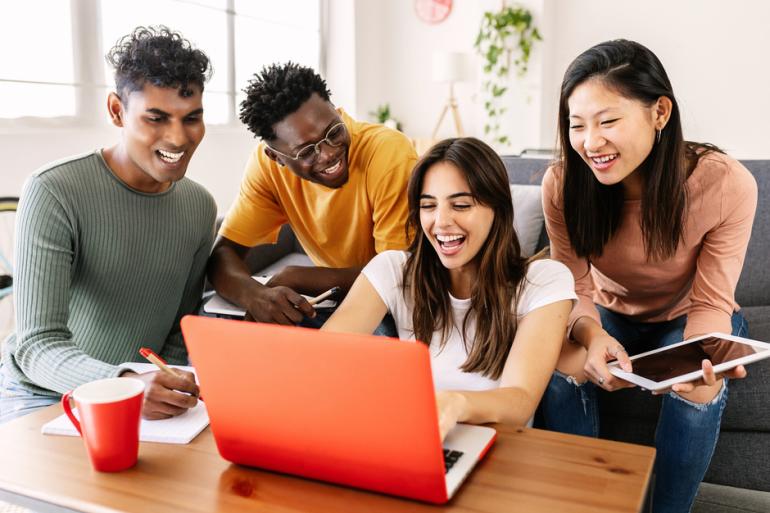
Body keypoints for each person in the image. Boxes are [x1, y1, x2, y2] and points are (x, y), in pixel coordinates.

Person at [538, 39, 757, 513]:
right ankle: (580, 504)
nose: (590, 142)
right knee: (559, 364)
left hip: (689, 314)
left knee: (698, 387)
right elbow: (574, 286)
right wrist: (591, 336)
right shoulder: (562, 184)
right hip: (607, 312)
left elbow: (711, 302)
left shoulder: (724, 183)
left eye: (608, 121)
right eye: (577, 126)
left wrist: (704, 356)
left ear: (659, 112)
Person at [0, 26, 217, 423]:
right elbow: (36, 346)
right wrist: (125, 383)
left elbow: (178, 329)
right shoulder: (54, 190)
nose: (179, 137)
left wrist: (159, 386)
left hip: (139, 394)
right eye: (156, 118)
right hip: (43, 394)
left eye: (192, 118)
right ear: (117, 110)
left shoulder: (199, 206)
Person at [322, 137, 576, 438]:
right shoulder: (392, 269)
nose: (441, 222)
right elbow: (324, 359)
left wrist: (455, 404)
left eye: (461, 205)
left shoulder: (543, 280)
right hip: (408, 441)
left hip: (500, 453)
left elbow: (520, 401)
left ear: (497, 208)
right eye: (428, 206)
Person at [208, 62, 417, 327]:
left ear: (336, 110)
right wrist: (256, 297)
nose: (329, 153)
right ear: (275, 157)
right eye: (307, 152)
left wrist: (298, 277)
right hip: (334, 299)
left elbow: (399, 274)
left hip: (397, 302)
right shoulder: (266, 168)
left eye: (333, 131)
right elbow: (223, 254)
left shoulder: (387, 153)